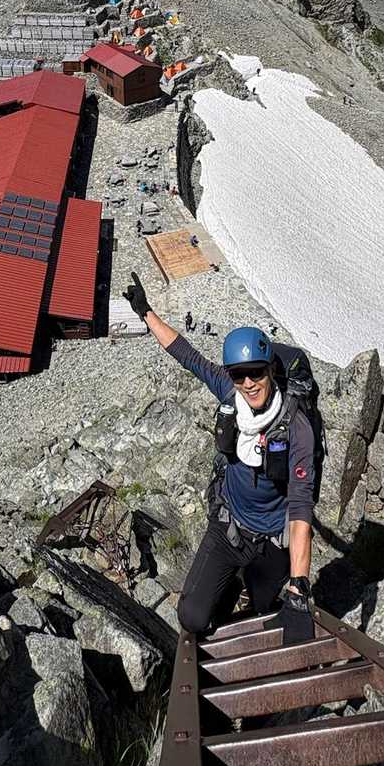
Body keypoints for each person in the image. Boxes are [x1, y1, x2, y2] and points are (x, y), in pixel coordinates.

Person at [123, 272, 316, 641]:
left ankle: (249, 587)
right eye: (239, 375)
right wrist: (146, 313)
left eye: (256, 372)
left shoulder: (296, 427)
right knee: (192, 618)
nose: (248, 383)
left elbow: (301, 509)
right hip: (229, 528)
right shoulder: (230, 393)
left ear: (270, 370)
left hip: (273, 542)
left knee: (260, 610)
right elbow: (188, 356)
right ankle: (230, 583)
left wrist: (298, 589)